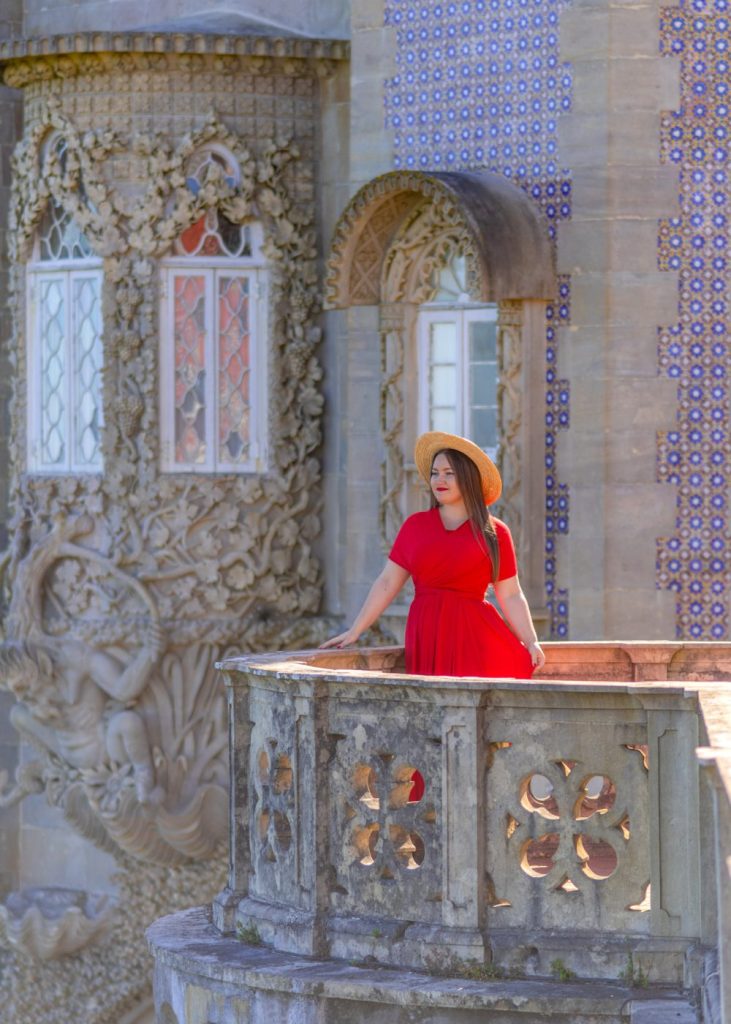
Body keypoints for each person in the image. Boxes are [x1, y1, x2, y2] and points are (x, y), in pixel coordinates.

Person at [321, 431, 545, 678]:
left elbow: (511, 594)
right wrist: (356, 630)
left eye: (450, 473)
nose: (440, 479)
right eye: (435, 473)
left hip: (473, 635)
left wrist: (531, 640)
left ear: (468, 478)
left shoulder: (495, 532)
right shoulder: (415, 527)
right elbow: (386, 582)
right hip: (425, 631)